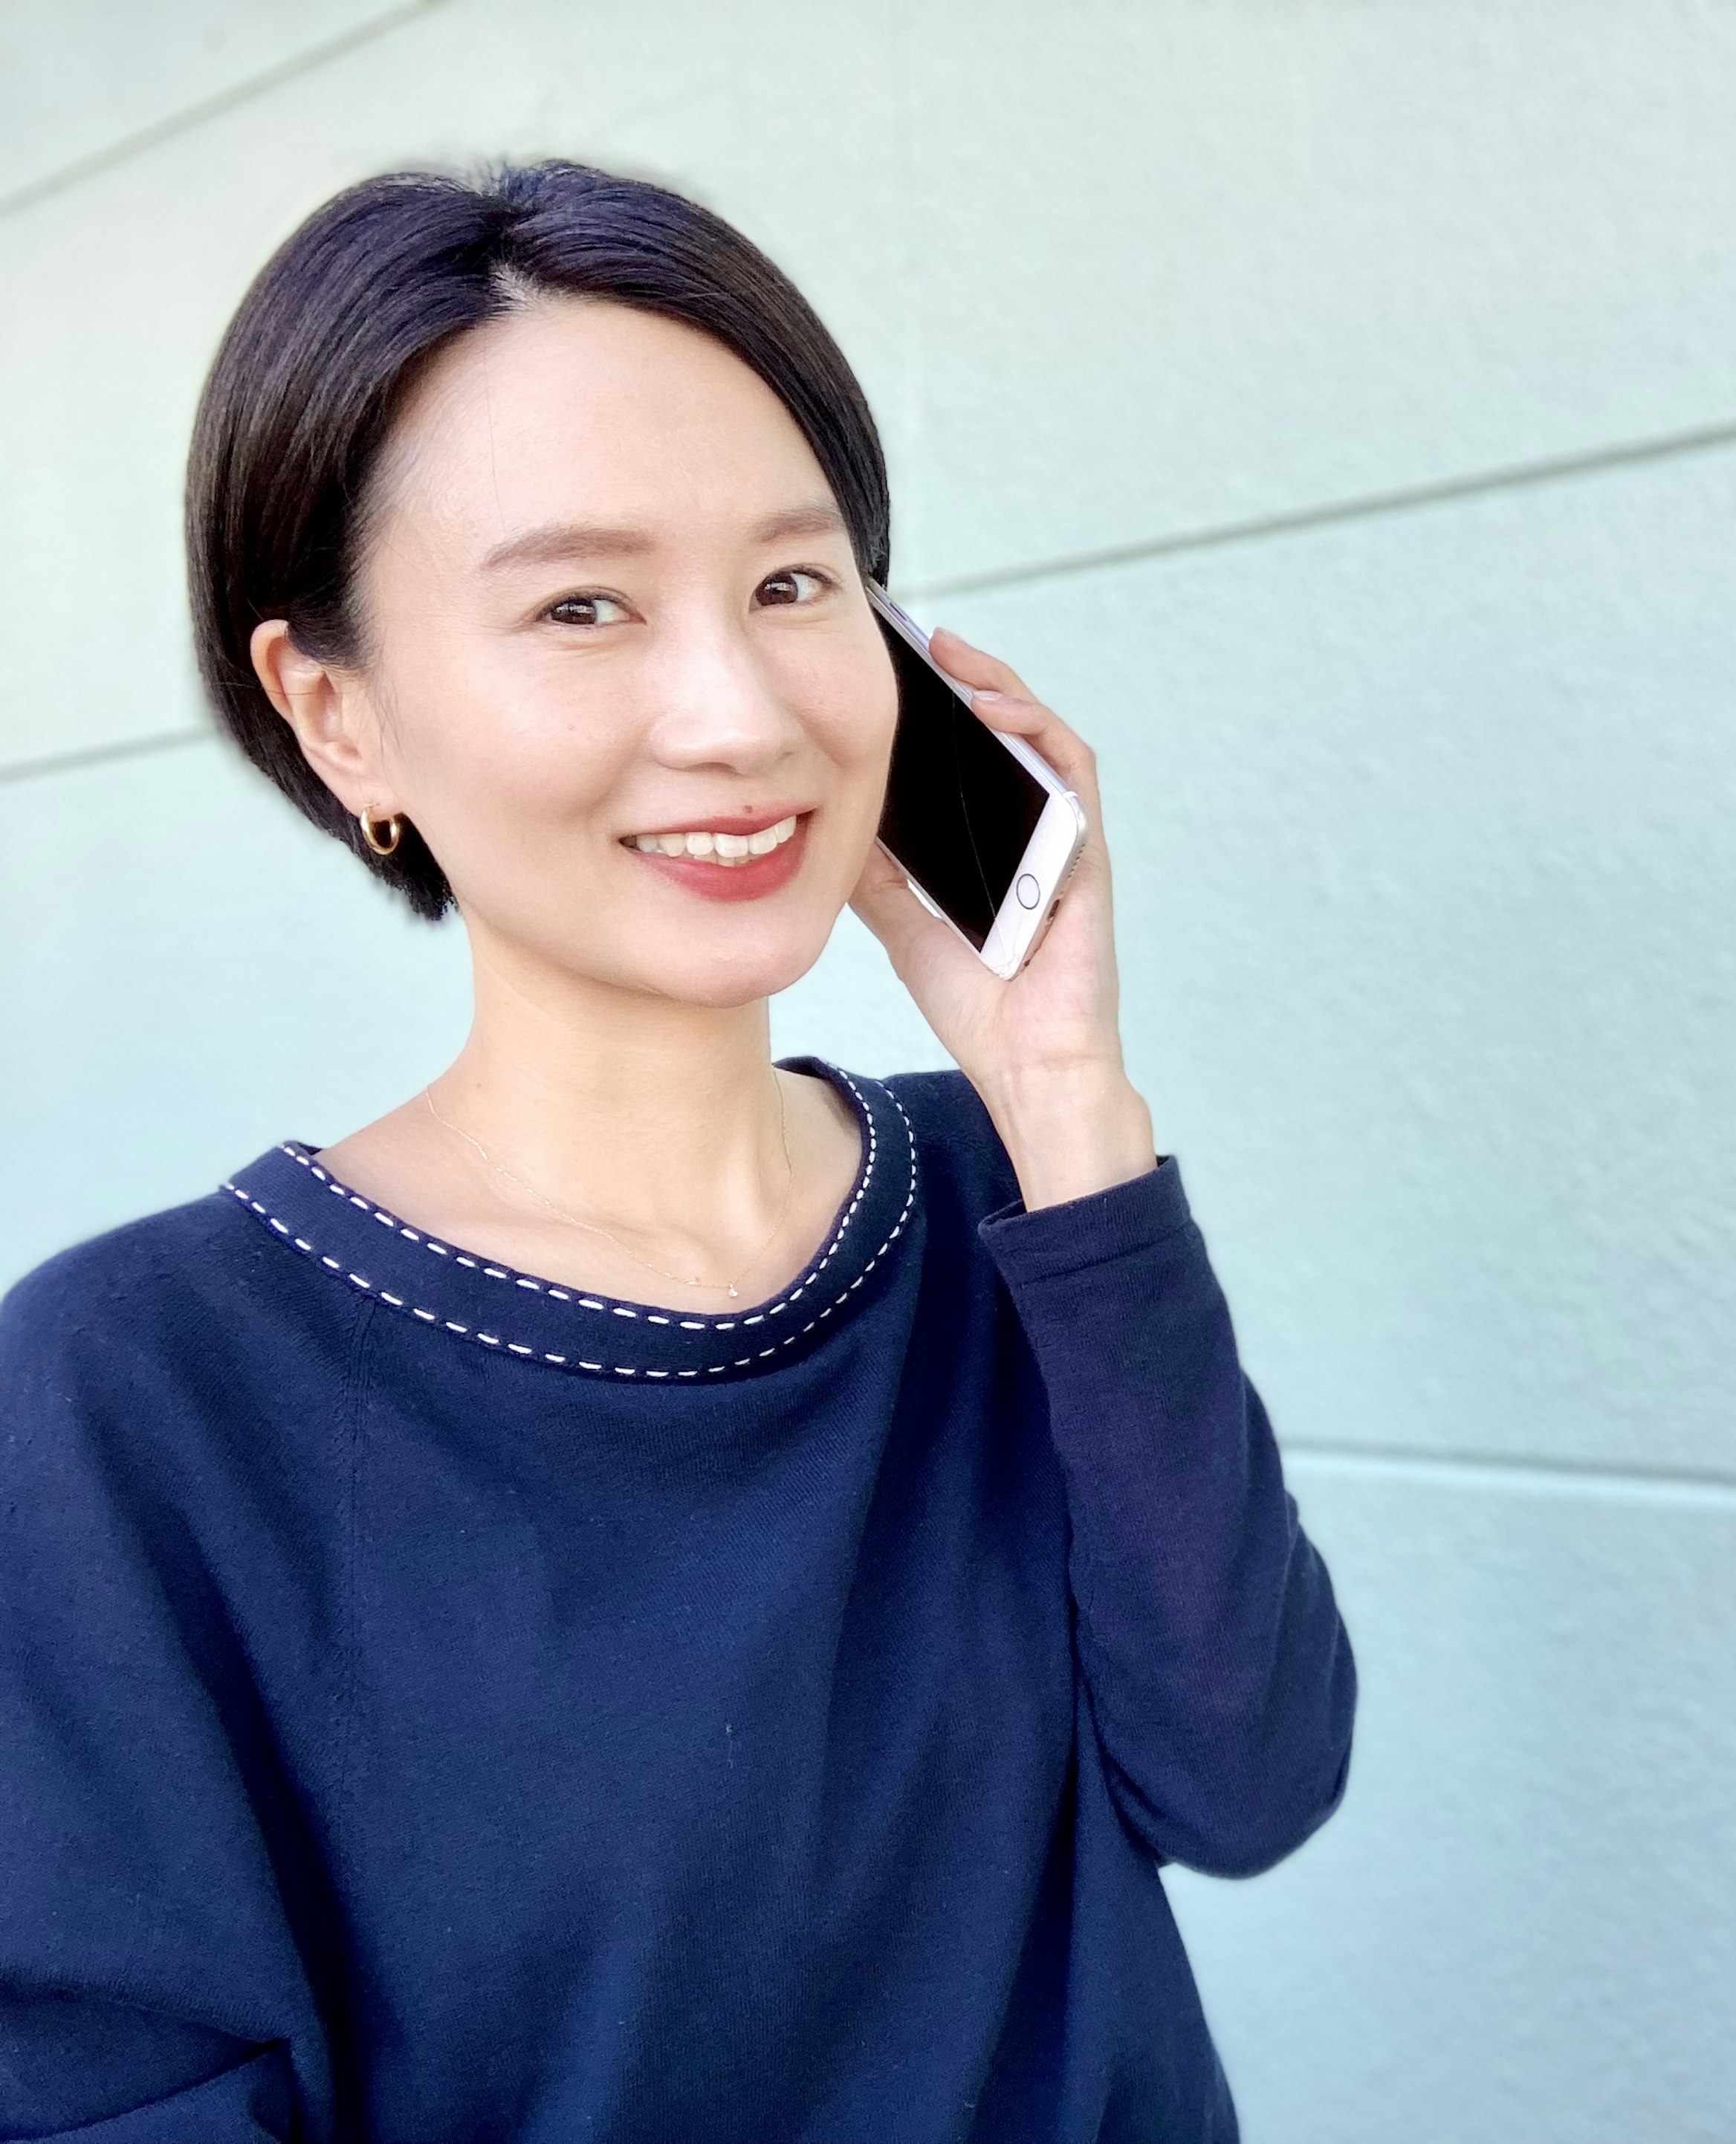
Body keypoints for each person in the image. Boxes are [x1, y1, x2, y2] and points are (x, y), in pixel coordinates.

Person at [0, 160, 1355, 2143]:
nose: (732, 712)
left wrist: (1067, 1092)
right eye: (582, 606)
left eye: (794, 585)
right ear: (337, 715)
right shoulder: (131, 1396)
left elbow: (1252, 1781)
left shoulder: (1020, 1199)